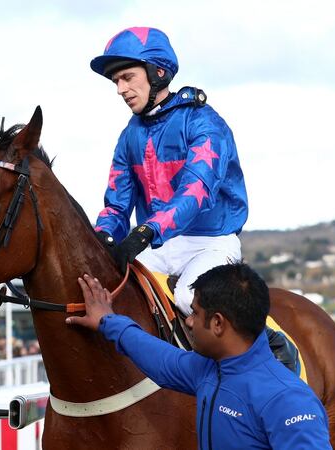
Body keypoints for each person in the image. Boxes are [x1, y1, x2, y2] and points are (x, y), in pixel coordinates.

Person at [66, 263, 331, 449]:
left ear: (218, 323)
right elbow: (160, 359)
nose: (189, 322)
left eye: (194, 312)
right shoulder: (208, 368)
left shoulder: (288, 400)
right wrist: (107, 321)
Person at [90, 26, 247, 319]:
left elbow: (197, 189)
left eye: (127, 78)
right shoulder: (129, 136)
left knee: (191, 299)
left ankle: (268, 346)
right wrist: (102, 238)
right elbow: (116, 205)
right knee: (114, 294)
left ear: (157, 72)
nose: (120, 89)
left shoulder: (204, 122)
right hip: (158, 245)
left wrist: (150, 229)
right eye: (116, 81)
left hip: (211, 242)